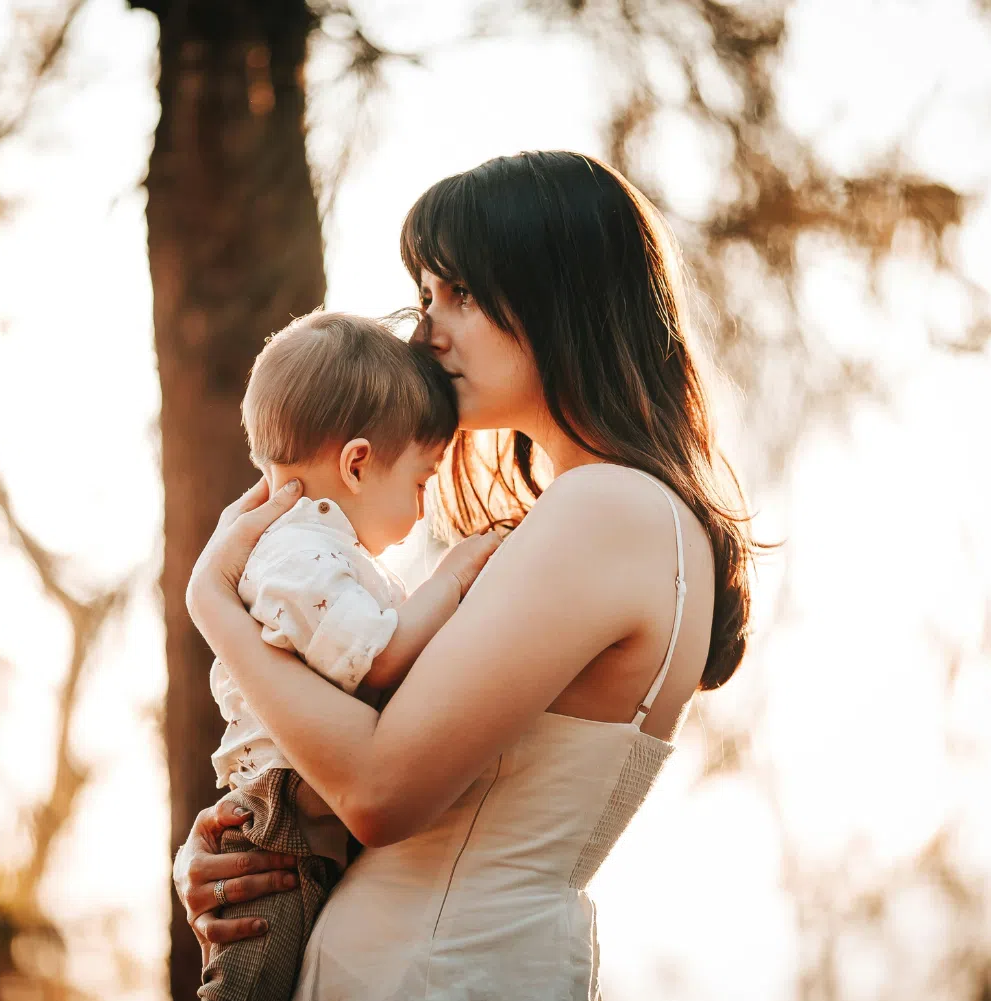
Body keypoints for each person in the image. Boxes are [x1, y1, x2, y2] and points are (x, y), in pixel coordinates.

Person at [177, 150, 758, 1000]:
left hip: (435, 973)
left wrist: (214, 605)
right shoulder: (605, 513)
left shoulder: (607, 509)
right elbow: (392, 774)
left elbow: (380, 789)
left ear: (561, 295)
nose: (428, 331)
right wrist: (254, 838)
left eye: (463, 295)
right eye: (425, 297)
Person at [191, 310, 501, 1001]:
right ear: (357, 463)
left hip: (301, 826)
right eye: (421, 482)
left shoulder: (319, 554)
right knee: (248, 986)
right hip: (277, 833)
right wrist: (454, 576)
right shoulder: (301, 556)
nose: (423, 509)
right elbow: (380, 658)